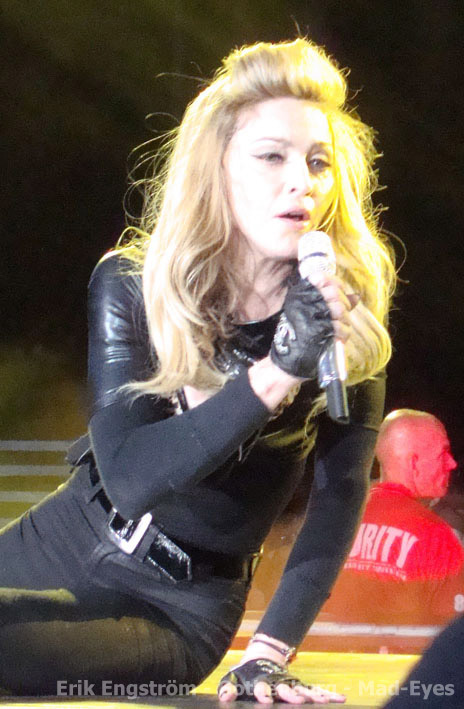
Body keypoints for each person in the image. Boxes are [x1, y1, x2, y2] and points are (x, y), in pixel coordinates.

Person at [0, 38, 395, 702]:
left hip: (174, 606)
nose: (302, 181)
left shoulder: (344, 316)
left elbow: (339, 497)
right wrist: (276, 371)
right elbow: (130, 477)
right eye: (271, 156)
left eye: (318, 161)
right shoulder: (136, 281)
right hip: (71, 529)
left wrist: (268, 653)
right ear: (216, 166)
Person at [321, 410, 464, 627]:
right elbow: (452, 632)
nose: (452, 463)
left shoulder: (331, 522)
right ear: (413, 464)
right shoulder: (439, 536)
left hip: (327, 646)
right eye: (443, 454)